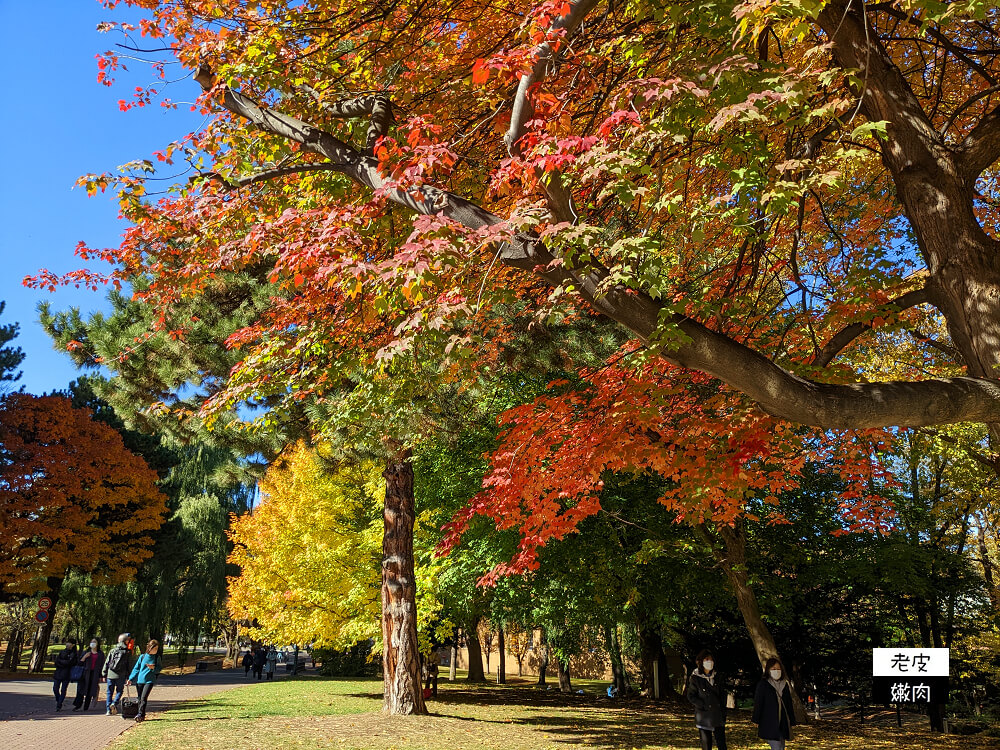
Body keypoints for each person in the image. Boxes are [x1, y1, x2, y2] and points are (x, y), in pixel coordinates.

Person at [752, 657, 797, 750]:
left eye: (778, 669)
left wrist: (792, 720)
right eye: (773, 669)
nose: (776, 671)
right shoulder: (763, 684)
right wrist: (756, 719)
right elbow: (758, 703)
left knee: (781, 746)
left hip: (783, 722)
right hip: (769, 722)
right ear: (768, 670)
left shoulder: (785, 684)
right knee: (776, 747)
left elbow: (789, 704)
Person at [686, 649, 727, 750]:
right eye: (707, 659)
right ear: (701, 661)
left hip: (718, 716)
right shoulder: (695, 678)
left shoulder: (717, 676)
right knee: (706, 745)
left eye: (711, 659)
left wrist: (723, 710)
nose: (710, 662)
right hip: (704, 716)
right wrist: (702, 704)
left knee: (722, 744)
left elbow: (722, 695)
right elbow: (691, 696)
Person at [126, 639, 163, 722]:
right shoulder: (142, 657)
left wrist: (153, 668)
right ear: (150, 648)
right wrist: (130, 679)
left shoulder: (157, 657)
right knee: (139, 698)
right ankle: (141, 715)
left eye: (157, 649)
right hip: (140, 680)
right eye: (154, 649)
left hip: (149, 681)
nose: (156, 651)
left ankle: (140, 714)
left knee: (144, 698)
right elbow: (136, 668)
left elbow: (159, 668)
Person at [103, 633, 133, 716]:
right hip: (121, 675)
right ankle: (114, 703)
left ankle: (108, 710)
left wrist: (104, 673)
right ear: (126, 641)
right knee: (119, 690)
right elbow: (128, 665)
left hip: (110, 674)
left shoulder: (113, 650)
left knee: (109, 692)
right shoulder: (127, 652)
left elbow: (107, 662)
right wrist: (129, 676)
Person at [73, 637, 105, 711]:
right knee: (81, 689)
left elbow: (102, 665)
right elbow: (79, 663)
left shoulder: (100, 654)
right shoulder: (86, 652)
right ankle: (78, 705)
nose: (93, 643)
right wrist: (84, 657)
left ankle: (86, 706)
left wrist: (101, 675)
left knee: (90, 690)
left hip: (94, 674)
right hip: (85, 673)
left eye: (94, 642)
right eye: (91, 641)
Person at [52, 637, 79, 711]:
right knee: (55, 688)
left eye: (69, 643)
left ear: (73, 645)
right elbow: (57, 661)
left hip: (67, 674)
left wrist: (62, 662)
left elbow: (70, 663)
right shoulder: (62, 651)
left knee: (63, 689)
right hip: (58, 673)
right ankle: (59, 700)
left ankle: (59, 704)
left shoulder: (74, 654)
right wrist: (62, 662)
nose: (67, 644)